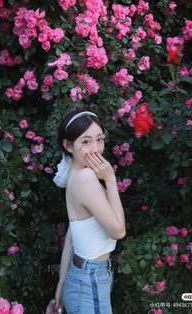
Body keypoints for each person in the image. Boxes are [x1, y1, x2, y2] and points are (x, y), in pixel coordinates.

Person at [48, 109, 126, 314]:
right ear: (68, 145)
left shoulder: (76, 176)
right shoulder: (85, 179)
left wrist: (61, 287)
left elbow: (72, 238)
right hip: (90, 278)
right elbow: (118, 231)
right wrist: (110, 179)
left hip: (82, 277)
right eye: (85, 141)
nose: (96, 149)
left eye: (99, 139)